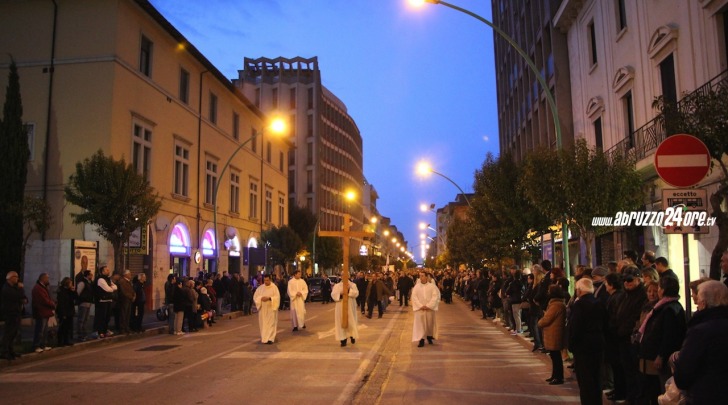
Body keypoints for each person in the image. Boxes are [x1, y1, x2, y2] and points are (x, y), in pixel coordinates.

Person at [673, 280, 728, 404]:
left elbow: (684, 373)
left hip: (706, 394)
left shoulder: (700, 331)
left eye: (697, 300)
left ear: (703, 303)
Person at [637, 276, 686, 405]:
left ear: (663, 290)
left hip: (660, 358)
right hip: (652, 355)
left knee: (659, 390)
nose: (656, 291)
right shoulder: (662, 306)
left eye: (658, 288)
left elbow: (669, 335)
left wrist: (661, 355)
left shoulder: (670, 309)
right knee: (651, 389)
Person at [569, 278, 607, 405]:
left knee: (585, 381)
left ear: (579, 290)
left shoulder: (579, 305)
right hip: (598, 344)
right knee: (597, 377)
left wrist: (572, 344)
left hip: (583, 346)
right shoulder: (599, 302)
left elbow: (575, 326)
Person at [538, 284, 566, 385]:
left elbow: (547, 319)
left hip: (554, 333)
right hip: (552, 332)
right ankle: (555, 375)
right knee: (554, 356)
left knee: (556, 357)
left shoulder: (556, 305)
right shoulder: (555, 304)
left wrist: (540, 322)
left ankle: (558, 377)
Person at [0, 271, 27, 360]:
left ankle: (11, 350)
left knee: (14, 333)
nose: (17, 279)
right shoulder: (7, 288)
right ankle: (5, 351)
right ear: (10, 278)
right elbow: (17, 297)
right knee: (9, 333)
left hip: (16, 312)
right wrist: (21, 289)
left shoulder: (14, 288)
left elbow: (23, 298)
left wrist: (23, 298)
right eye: (15, 277)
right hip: (10, 313)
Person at [411, 272, 440, 347]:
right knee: (421, 325)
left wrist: (428, 306)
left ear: (426, 277)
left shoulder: (432, 286)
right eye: (420, 276)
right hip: (420, 310)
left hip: (429, 309)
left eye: (422, 276)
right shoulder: (416, 287)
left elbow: (435, 297)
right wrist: (420, 306)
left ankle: (429, 336)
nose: (421, 277)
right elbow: (414, 297)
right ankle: (421, 340)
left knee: (429, 324)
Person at [32, 272, 56, 353]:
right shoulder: (38, 288)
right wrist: (53, 304)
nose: (48, 280)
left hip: (45, 312)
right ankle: (36, 345)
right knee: (40, 330)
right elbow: (44, 300)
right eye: (47, 278)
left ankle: (43, 344)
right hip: (41, 312)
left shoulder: (43, 287)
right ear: (42, 279)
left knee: (45, 330)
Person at [332, 278, 359, 347]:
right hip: (340, 307)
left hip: (350, 307)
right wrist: (340, 294)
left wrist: (349, 290)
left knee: (351, 322)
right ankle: (343, 340)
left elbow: (356, 294)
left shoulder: (353, 285)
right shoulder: (337, 285)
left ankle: (352, 336)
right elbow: (333, 294)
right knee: (341, 323)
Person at [253, 274, 280, 344]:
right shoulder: (260, 288)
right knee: (263, 324)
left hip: (271, 308)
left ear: (270, 280)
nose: (266, 282)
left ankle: (271, 338)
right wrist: (260, 298)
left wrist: (269, 298)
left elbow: (277, 298)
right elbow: (255, 297)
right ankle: (264, 337)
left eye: (267, 280)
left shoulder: (274, 288)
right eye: (264, 280)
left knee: (271, 323)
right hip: (263, 309)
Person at [94, 265, 117, 338]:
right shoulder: (100, 279)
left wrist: (111, 288)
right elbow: (108, 289)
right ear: (102, 271)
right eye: (106, 270)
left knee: (107, 317)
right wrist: (111, 288)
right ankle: (100, 331)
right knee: (101, 317)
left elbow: (115, 287)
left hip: (108, 300)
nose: (108, 271)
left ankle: (105, 330)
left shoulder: (108, 279)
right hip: (102, 301)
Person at [56, 277, 77, 347]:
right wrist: (63, 313)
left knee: (68, 327)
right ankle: (60, 342)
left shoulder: (69, 291)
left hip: (70, 311)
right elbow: (61, 303)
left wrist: (73, 291)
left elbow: (75, 298)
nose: (71, 284)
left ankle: (66, 340)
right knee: (62, 327)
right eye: (70, 283)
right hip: (64, 312)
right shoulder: (61, 291)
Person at [75, 270, 94, 341]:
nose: (92, 276)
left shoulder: (90, 282)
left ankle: (84, 334)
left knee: (86, 319)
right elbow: (78, 292)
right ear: (87, 275)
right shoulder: (82, 282)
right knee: (81, 319)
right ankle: (80, 334)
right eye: (90, 275)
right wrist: (81, 299)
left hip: (88, 303)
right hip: (83, 303)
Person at [117, 270, 135, 335]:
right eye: (129, 274)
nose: (130, 275)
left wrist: (134, 295)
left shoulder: (128, 282)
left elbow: (131, 289)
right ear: (125, 275)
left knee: (128, 314)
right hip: (124, 300)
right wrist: (131, 296)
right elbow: (124, 291)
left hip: (129, 300)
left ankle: (127, 327)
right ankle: (122, 328)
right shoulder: (122, 281)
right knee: (123, 314)